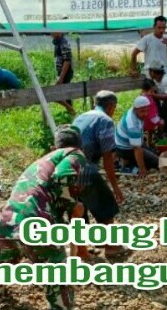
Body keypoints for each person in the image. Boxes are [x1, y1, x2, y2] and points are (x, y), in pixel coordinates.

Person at [0, 125, 86, 310]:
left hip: (4, 225)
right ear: (79, 144)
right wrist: (73, 206)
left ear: (55, 146)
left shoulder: (41, 163)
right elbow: (62, 178)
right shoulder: (75, 153)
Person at [73, 90, 131, 258]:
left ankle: (81, 251)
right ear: (111, 106)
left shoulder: (81, 116)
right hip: (85, 168)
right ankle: (111, 247)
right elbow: (107, 158)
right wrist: (115, 187)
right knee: (106, 206)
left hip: (67, 168)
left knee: (79, 210)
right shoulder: (105, 121)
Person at [115, 96, 159, 177]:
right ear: (135, 109)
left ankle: (128, 161)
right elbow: (137, 149)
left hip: (128, 143)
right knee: (156, 163)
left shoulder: (134, 111)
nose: (145, 114)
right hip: (125, 149)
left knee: (153, 154)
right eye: (142, 111)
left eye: (147, 110)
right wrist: (142, 168)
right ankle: (127, 168)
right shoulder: (132, 124)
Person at [52, 32, 76, 116]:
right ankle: (71, 113)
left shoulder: (63, 43)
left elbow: (67, 60)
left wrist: (61, 77)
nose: (51, 34)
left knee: (54, 94)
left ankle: (72, 111)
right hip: (61, 73)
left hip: (65, 73)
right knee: (66, 95)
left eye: (53, 32)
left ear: (60, 32)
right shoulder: (57, 43)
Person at [140, 79, 164, 146]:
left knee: (149, 131)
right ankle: (160, 138)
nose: (154, 90)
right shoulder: (148, 100)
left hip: (143, 121)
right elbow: (152, 115)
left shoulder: (142, 97)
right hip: (148, 121)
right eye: (153, 89)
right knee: (161, 123)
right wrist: (159, 121)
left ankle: (148, 144)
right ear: (150, 90)